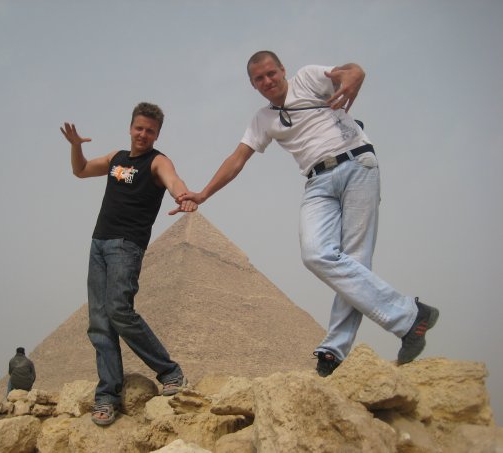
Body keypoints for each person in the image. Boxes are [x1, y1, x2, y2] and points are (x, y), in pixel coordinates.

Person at [178, 51, 439, 377]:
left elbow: (349, 71)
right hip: (317, 181)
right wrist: (203, 193)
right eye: (259, 79)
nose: (268, 81)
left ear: (282, 70)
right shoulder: (263, 119)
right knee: (315, 254)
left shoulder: (307, 78)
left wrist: (354, 76)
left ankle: (333, 352)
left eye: (271, 73)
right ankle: (411, 316)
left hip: (356, 162)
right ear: (252, 85)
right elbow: (237, 159)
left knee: (355, 260)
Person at [61, 102, 196, 426]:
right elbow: (81, 170)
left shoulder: (157, 161)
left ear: (157, 134)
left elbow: (173, 179)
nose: (143, 134)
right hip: (99, 243)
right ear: (130, 128)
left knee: (119, 310)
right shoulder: (115, 158)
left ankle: (170, 372)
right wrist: (76, 147)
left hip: (126, 245)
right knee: (99, 321)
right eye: (139, 128)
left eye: (150, 131)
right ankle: (107, 396)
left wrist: (182, 195)